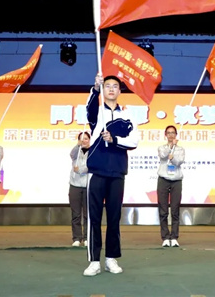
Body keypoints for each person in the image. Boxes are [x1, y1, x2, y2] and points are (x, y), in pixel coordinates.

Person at [83, 74, 139, 277]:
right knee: (94, 218)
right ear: (103, 89)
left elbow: (134, 141)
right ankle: (94, 261)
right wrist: (95, 88)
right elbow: (89, 108)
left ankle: (111, 259)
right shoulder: (97, 112)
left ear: (120, 91)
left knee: (114, 218)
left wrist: (114, 139)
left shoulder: (128, 116)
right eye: (108, 86)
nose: (112, 89)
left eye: (115, 86)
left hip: (117, 172)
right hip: (97, 171)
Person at [157, 125, 185, 248]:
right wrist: (170, 147)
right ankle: (165, 237)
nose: (171, 135)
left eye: (173, 133)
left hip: (176, 180)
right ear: (165, 135)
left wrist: (173, 157)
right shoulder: (162, 148)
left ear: (176, 134)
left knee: (175, 210)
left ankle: (174, 237)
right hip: (163, 179)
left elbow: (179, 162)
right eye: (168, 133)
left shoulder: (181, 149)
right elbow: (163, 156)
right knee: (163, 210)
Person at [69, 131, 90, 247]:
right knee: (76, 214)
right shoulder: (76, 151)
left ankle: (87, 237)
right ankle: (76, 238)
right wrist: (78, 145)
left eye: (86, 138)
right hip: (75, 185)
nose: (84, 141)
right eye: (82, 139)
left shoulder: (93, 151)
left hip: (88, 185)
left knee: (87, 214)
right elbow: (72, 154)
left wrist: (80, 170)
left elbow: (92, 166)